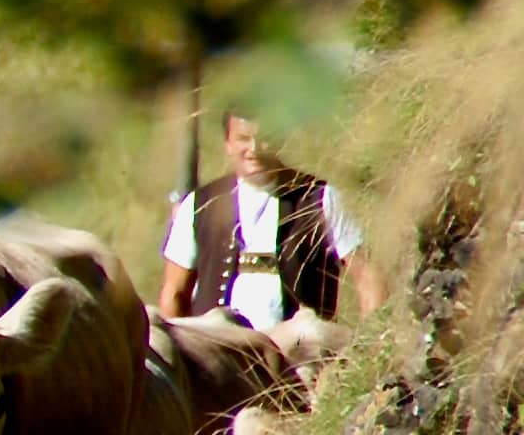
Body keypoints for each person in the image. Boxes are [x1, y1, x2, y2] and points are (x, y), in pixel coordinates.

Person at [157, 110, 387, 328]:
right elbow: (175, 292)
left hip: (301, 358)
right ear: (227, 144)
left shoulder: (320, 198)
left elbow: (367, 275)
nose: (254, 150)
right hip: (216, 360)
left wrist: (368, 347)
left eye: (265, 138)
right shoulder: (199, 204)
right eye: (243, 139)